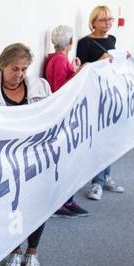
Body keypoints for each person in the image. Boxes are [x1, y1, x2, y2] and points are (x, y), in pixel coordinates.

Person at [0, 43, 51, 266]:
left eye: (24, 69)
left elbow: (51, 115)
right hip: (7, 159)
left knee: (38, 202)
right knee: (14, 205)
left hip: (35, 155)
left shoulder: (41, 87)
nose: (19, 75)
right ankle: (14, 248)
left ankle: (32, 250)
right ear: (2, 66)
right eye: (14, 69)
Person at [73, 7, 126, 199]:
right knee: (98, 139)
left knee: (109, 136)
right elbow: (80, 71)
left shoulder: (111, 40)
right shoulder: (84, 43)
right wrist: (99, 62)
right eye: (103, 20)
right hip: (93, 96)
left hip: (109, 93)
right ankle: (97, 182)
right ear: (93, 22)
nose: (108, 23)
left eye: (110, 19)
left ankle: (105, 177)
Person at [43, 24, 90, 218]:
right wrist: (82, 71)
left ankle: (68, 200)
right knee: (66, 161)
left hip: (66, 114)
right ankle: (62, 202)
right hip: (62, 115)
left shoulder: (60, 60)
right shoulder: (59, 60)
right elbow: (61, 88)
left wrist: (76, 68)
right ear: (70, 42)